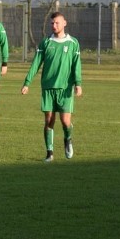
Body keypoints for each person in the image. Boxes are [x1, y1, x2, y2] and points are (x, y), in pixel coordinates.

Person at [21, 12, 82, 163]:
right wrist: (27, 83)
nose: (54, 26)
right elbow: (36, 63)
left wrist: (78, 84)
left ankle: (68, 139)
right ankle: (49, 153)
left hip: (65, 88)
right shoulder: (46, 43)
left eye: (57, 23)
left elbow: (76, 66)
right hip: (48, 87)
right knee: (49, 120)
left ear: (64, 23)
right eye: (52, 23)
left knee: (65, 122)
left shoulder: (73, 43)